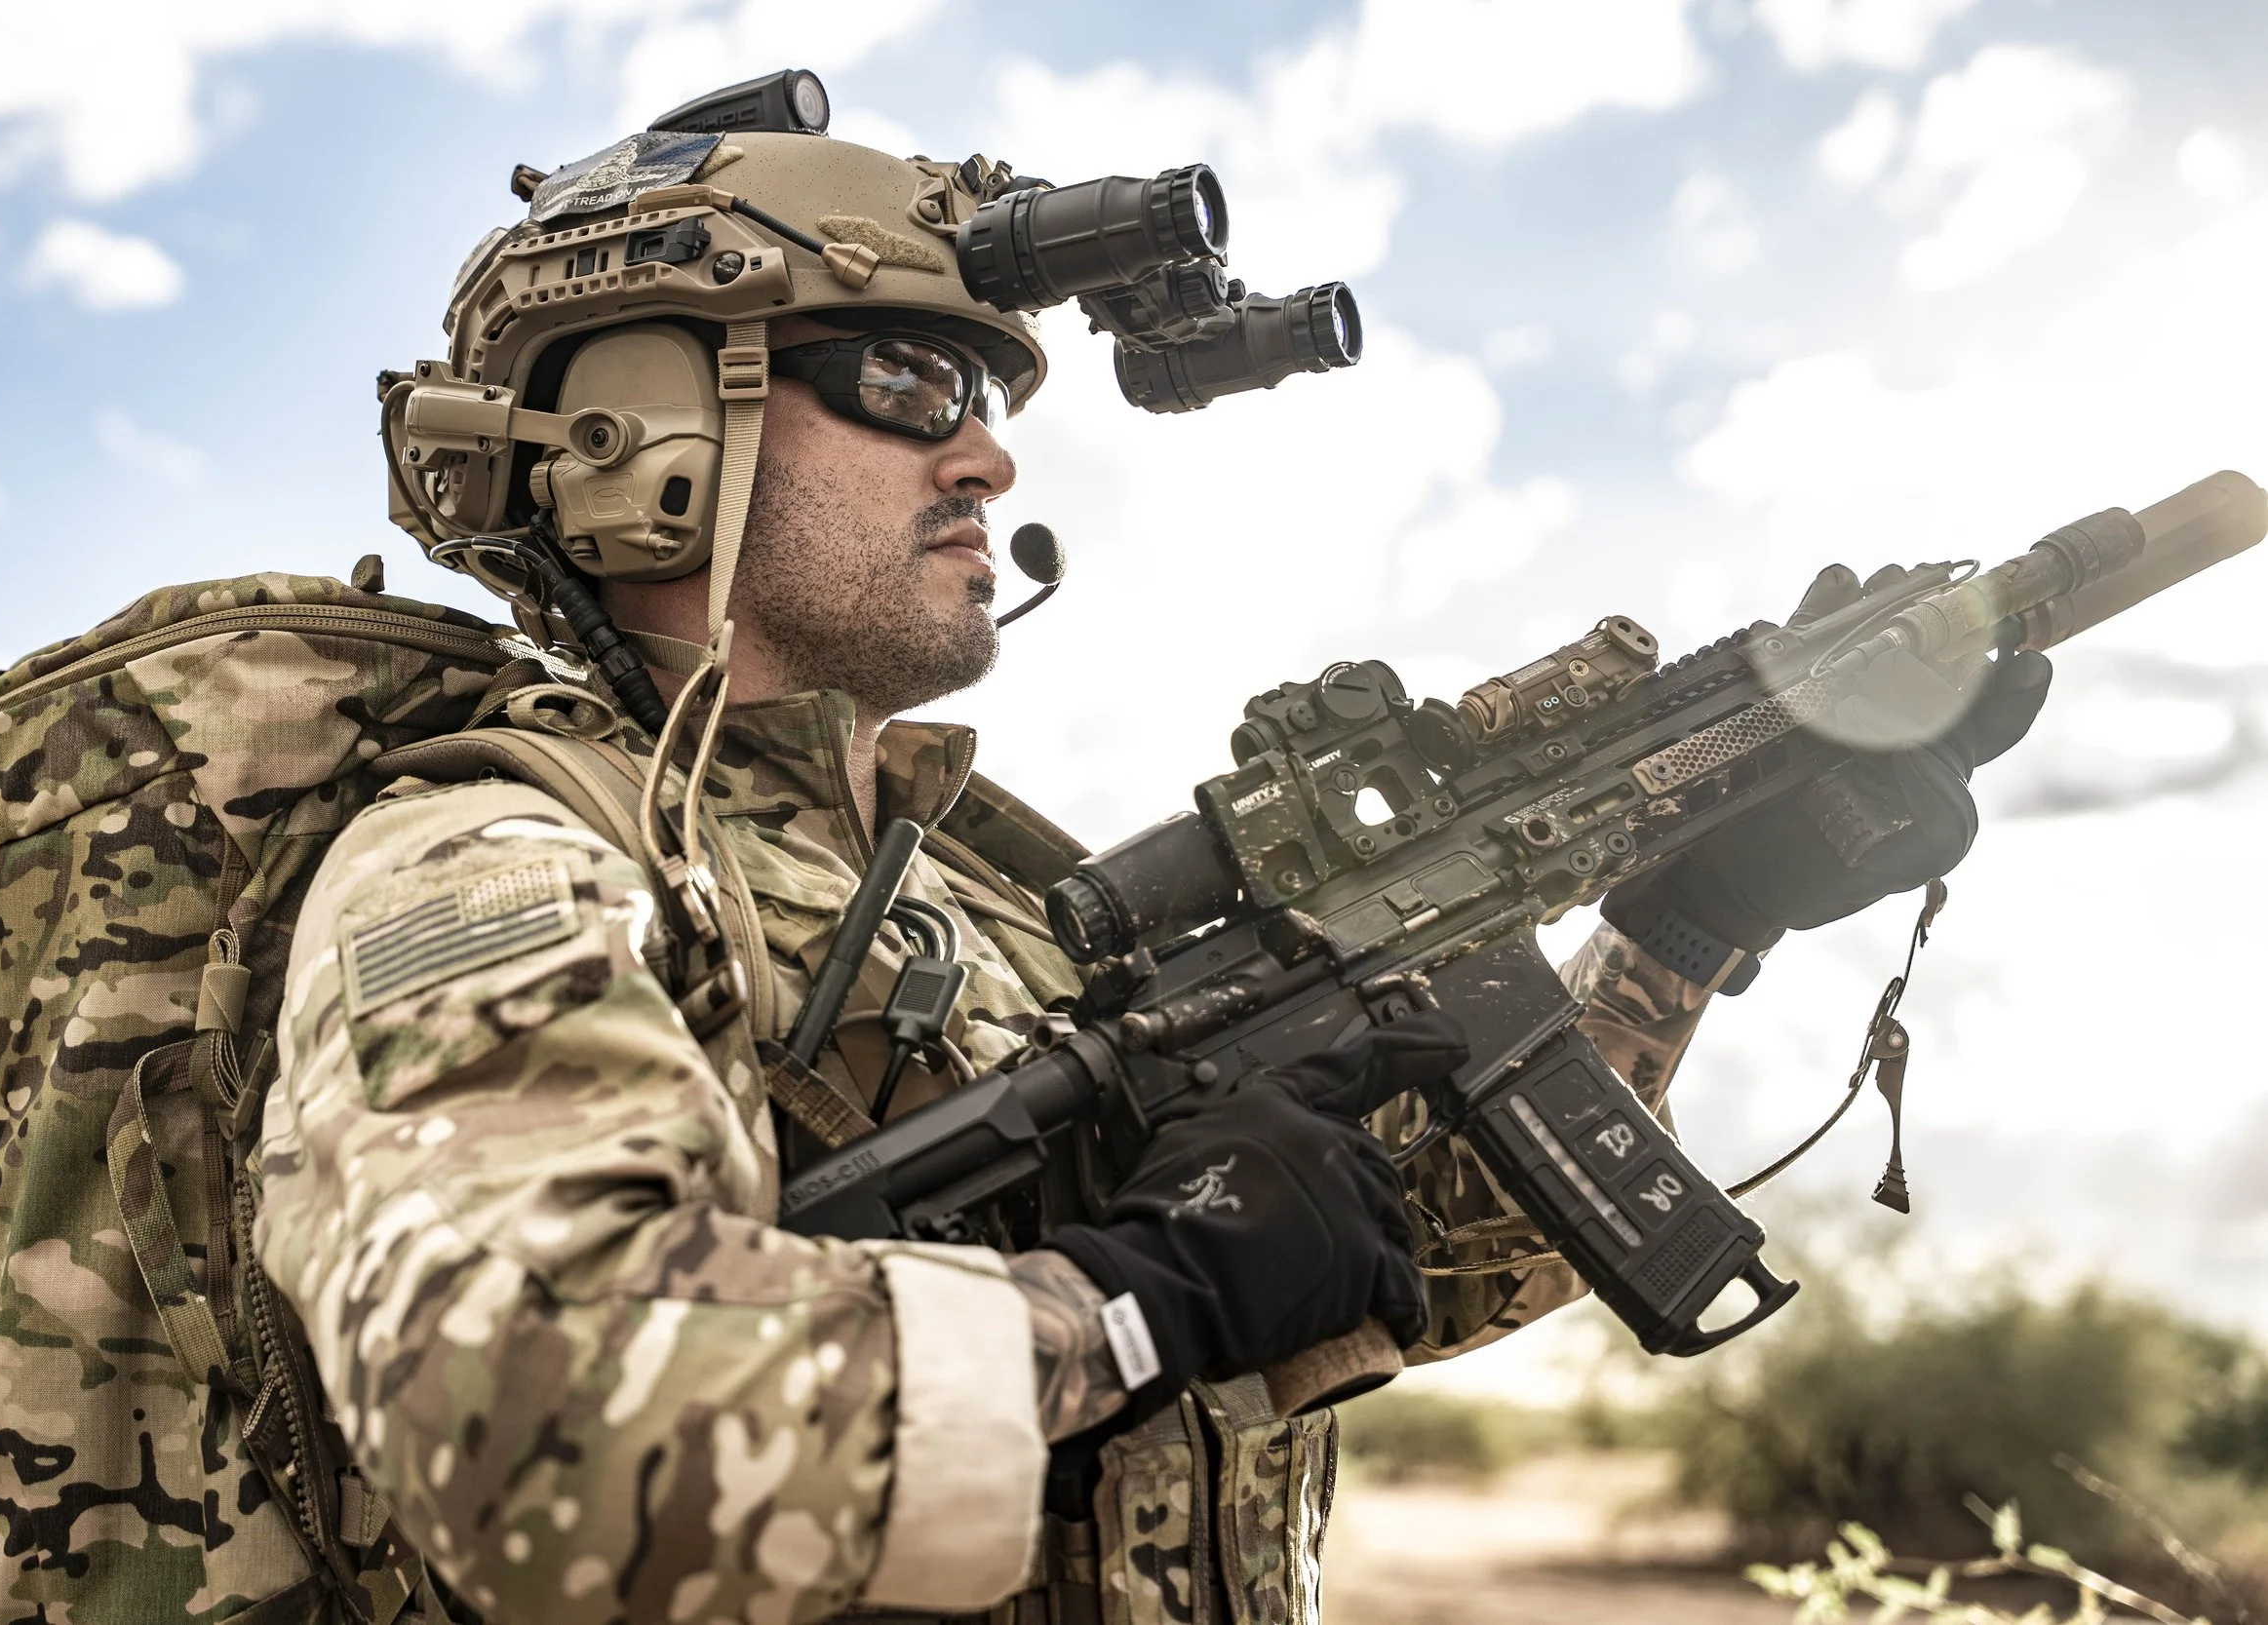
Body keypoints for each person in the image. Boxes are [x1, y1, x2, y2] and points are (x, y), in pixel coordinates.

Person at [252, 92, 2047, 1625]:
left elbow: (1373, 1262)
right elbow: (534, 1426)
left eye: (984, 384)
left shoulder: (984, 904)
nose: (988, 444)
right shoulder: (495, 854)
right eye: (908, 375)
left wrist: (1682, 926)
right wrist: (1114, 1307)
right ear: (636, 430)